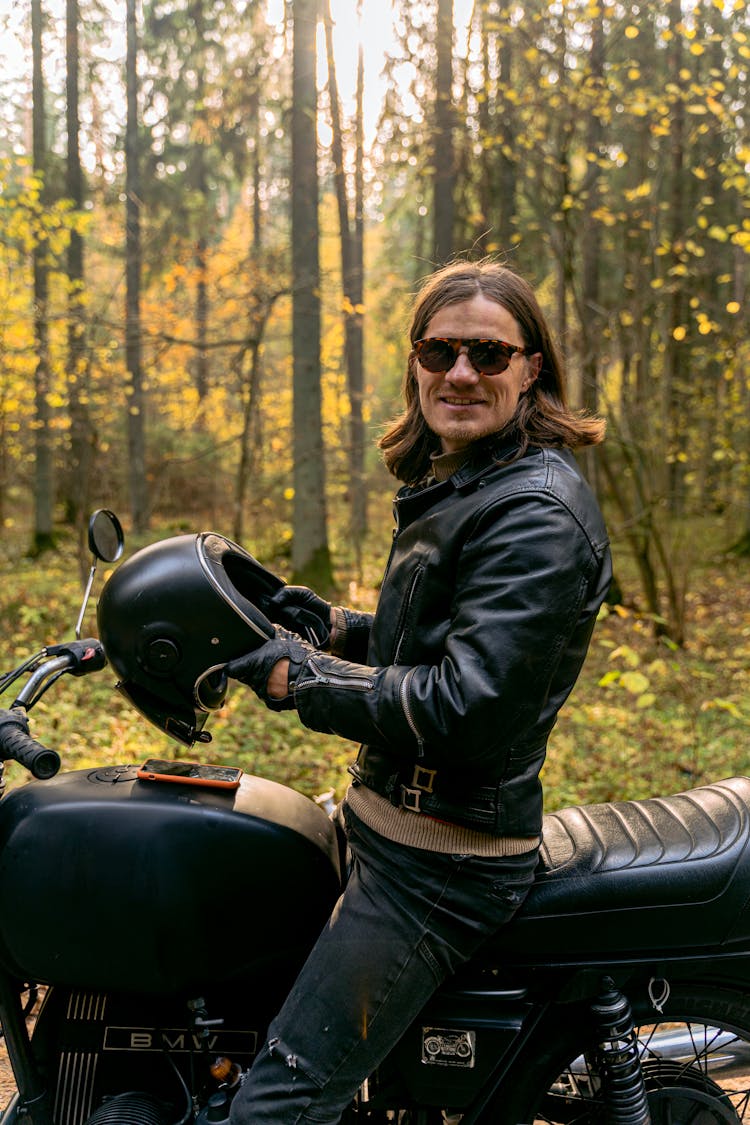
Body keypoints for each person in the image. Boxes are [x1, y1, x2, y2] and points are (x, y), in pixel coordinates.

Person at [226, 258, 612, 1125]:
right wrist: (330, 626)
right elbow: (432, 641)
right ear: (416, 362)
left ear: (531, 366)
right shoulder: (471, 482)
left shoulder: (535, 514)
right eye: (439, 351)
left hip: (439, 861)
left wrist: (305, 680)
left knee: (273, 1110)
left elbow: (466, 705)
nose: (461, 373)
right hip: (391, 825)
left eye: (487, 351)